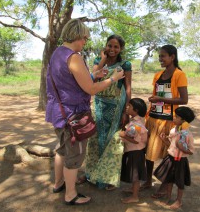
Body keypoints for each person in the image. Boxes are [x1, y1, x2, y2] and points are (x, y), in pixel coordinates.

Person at [45, 19, 124, 206]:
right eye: (84, 39)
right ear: (77, 36)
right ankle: (71, 195)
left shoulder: (57, 53)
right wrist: (113, 79)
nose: (85, 43)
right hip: (73, 116)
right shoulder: (74, 57)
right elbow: (91, 89)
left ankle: (59, 184)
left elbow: (69, 80)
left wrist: (93, 75)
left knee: (62, 150)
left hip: (58, 112)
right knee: (75, 155)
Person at [85, 34, 132, 190]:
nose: (112, 49)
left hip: (116, 106)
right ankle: (91, 174)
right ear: (105, 46)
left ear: (121, 49)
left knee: (113, 141)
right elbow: (92, 80)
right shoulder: (98, 62)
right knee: (95, 139)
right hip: (98, 104)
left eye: (116, 47)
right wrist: (103, 59)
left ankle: (109, 178)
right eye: (109, 45)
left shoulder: (125, 64)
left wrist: (126, 110)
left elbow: (128, 87)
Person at [141, 45, 189, 197]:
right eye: (159, 56)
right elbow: (156, 96)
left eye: (163, 56)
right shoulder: (158, 75)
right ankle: (148, 181)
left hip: (169, 120)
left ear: (172, 57)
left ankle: (165, 185)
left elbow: (184, 99)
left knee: (169, 154)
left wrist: (160, 99)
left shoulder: (179, 75)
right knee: (149, 152)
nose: (160, 59)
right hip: (154, 118)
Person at [153, 106, 196, 209]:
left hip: (181, 161)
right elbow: (171, 144)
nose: (174, 118)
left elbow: (191, 151)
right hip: (171, 158)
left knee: (180, 182)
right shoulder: (173, 130)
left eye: (176, 117)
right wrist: (164, 140)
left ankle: (178, 201)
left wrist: (182, 149)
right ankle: (168, 197)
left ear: (184, 121)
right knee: (169, 180)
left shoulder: (188, 135)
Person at [119, 98, 148, 204]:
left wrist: (123, 135)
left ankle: (135, 196)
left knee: (135, 176)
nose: (127, 107)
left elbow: (136, 141)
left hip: (135, 152)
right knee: (134, 173)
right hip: (135, 151)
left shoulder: (136, 125)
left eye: (129, 106)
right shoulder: (137, 119)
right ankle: (133, 190)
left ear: (136, 110)